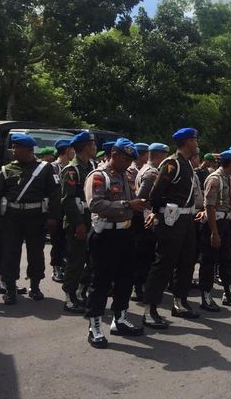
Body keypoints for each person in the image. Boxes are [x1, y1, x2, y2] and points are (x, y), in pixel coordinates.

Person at [84, 138, 146, 348]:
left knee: (125, 279)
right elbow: (95, 204)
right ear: (115, 155)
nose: (129, 163)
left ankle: (119, 318)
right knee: (101, 282)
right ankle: (94, 326)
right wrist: (128, 204)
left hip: (126, 233)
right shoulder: (99, 176)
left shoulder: (128, 175)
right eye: (126, 158)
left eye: (131, 160)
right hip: (105, 234)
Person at [143, 128, 201, 329]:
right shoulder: (172, 164)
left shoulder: (187, 164)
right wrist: (161, 212)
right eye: (194, 140)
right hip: (171, 220)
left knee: (187, 261)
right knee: (164, 264)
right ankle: (150, 309)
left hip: (186, 220)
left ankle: (180, 301)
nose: (197, 143)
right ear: (187, 142)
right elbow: (155, 194)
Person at [0, 133, 60, 305]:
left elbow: (54, 194)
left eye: (17, 147)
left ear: (29, 150)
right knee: (10, 253)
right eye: (14, 147)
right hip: (11, 217)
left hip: (35, 216)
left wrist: (53, 217)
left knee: (36, 252)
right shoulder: (6, 169)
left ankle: (35, 286)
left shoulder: (45, 168)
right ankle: (9, 289)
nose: (14, 150)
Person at [199, 149, 231, 311]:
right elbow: (209, 206)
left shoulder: (228, 177)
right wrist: (214, 232)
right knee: (209, 261)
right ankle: (206, 295)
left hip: (224, 222)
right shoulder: (215, 179)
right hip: (214, 223)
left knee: (227, 259)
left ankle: (229, 291)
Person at [60, 131, 97, 313]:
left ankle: (82, 291)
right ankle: (70, 297)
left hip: (93, 219)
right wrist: (78, 224)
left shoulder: (92, 166)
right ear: (85, 147)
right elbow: (67, 200)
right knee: (75, 260)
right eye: (93, 145)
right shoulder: (71, 170)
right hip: (79, 221)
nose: (95, 148)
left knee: (91, 260)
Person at [131, 143, 169, 302]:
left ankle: (139, 286)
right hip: (145, 218)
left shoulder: (145, 169)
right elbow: (141, 197)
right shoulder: (152, 172)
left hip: (145, 217)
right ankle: (138, 287)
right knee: (145, 255)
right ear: (160, 155)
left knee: (145, 254)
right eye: (165, 156)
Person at [50, 139, 74, 283]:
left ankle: (65, 264)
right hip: (57, 210)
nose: (74, 153)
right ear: (66, 151)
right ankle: (57, 267)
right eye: (72, 150)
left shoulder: (73, 167)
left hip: (69, 210)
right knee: (57, 241)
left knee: (68, 241)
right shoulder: (52, 167)